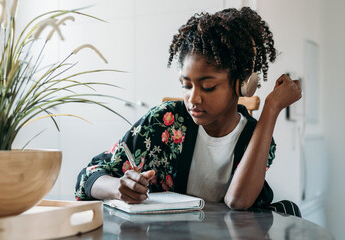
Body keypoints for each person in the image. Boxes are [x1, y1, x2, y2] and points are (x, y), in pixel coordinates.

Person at [75, 7, 302, 217]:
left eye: (208, 87)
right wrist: (118, 187)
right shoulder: (164, 121)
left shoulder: (258, 137)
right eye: (186, 85)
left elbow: (238, 201)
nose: (193, 98)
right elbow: (89, 175)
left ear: (242, 83)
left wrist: (271, 108)